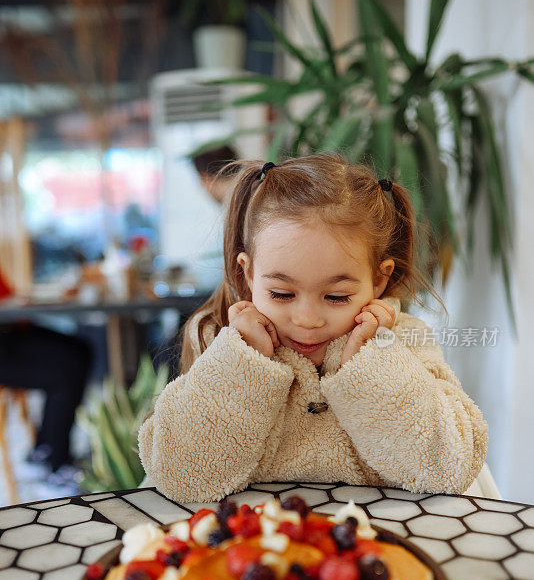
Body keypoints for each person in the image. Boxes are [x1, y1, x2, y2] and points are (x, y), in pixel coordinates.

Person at [138, 154, 489, 503]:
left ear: (379, 279)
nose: (307, 319)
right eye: (281, 293)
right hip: (253, 545)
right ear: (248, 273)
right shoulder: (222, 339)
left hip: (380, 546)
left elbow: (448, 468)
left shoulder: (403, 338)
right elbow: (180, 475)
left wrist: (369, 364)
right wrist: (244, 362)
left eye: (336, 297)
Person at [0, 268, 92, 483]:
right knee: (64, 372)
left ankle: (45, 447)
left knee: (80, 349)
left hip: (10, 329)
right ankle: (57, 466)